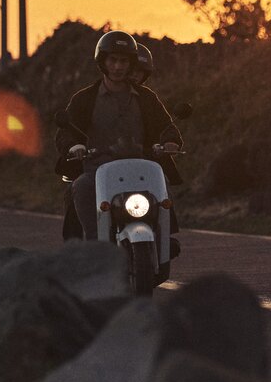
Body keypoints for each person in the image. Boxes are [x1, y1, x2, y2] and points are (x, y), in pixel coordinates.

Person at [55, 30, 182, 241]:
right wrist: (73, 146)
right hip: (98, 171)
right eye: (113, 60)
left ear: (131, 63)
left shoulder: (146, 97)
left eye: (123, 61)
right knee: (82, 186)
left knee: (163, 184)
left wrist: (171, 141)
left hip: (142, 166)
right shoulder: (85, 98)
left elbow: (166, 126)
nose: (118, 66)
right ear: (102, 61)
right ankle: (95, 245)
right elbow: (65, 131)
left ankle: (162, 241)